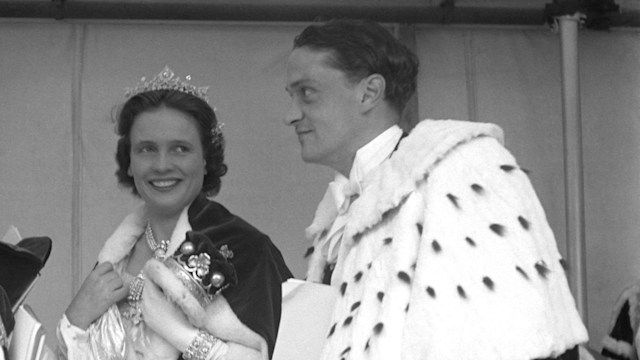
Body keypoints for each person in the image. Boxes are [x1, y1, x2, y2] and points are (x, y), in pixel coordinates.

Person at [284, 19, 589, 360]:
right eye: (291, 96)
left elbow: (527, 334)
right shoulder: (338, 214)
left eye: (307, 93)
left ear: (369, 92)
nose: (291, 115)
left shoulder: (459, 169)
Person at [57, 66, 293, 360]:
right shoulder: (115, 259)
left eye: (180, 149)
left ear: (206, 160)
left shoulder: (247, 250)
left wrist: (181, 334)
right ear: (129, 162)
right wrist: (75, 319)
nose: (162, 165)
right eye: (147, 149)